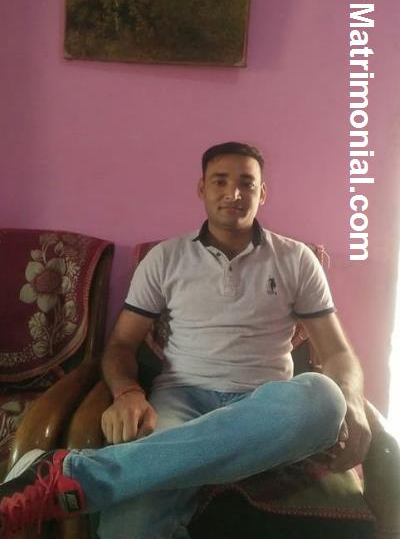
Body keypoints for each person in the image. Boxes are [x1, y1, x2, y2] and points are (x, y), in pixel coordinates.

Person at [0, 142, 371, 539]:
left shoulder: (297, 259)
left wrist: (353, 401)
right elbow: (121, 344)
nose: (233, 193)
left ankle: (78, 476)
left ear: (262, 193)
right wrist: (127, 393)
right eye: (220, 181)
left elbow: (336, 351)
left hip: (265, 406)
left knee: (323, 398)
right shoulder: (165, 258)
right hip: (182, 400)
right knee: (130, 528)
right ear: (201, 188)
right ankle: (97, 475)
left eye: (247, 183)